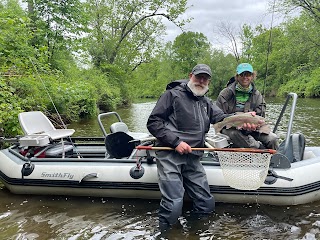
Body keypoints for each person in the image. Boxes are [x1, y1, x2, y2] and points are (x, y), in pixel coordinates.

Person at [147, 64, 253, 230]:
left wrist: (243, 119)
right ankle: (166, 233)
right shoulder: (171, 95)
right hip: (170, 154)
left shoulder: (206, 101)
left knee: (206, 203)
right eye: (198, 77)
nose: (201, 81)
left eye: (205, 78)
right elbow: (153, 122)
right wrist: (176, 142)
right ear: (191, 76)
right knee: (174, 204)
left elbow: (222, 118)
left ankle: (194, 232)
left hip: (194, 156)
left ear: (209, 82)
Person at [216, 63, 278, 150]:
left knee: (273, 138)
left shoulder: (257, 95)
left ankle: (274, 160)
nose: (245, 77)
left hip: (252, 128)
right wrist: (235, 120)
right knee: (235, 134)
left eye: (248, 74)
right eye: (242, 74)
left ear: (252, 76)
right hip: (230, 128)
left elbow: (260, 116)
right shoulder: (225, 94)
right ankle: (259, 148)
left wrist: (254, 126)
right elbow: (217, 115)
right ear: (237, 76)